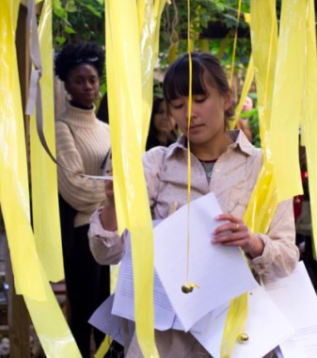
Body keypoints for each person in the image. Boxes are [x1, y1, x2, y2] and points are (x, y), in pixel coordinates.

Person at [89, 53, 298, 357]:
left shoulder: (264, 168)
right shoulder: (156, 163)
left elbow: (287, 258)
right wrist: (112, 202)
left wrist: (253, 243)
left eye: (200, 99)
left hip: (236, 336)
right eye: (178, 105)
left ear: (227, 98)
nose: (190, 113)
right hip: (165, 340)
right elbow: (106, 252)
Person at [53, 42, 111, 358]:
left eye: (92, 79)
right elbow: (73, 189)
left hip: (115, 232)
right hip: (83, 234)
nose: (87, 86)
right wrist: (114, 193)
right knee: (85, 314)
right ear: (66, 85)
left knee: (111, 311)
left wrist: (110, 191)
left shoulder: (108, 130)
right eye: (79, 80)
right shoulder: (61, 128)